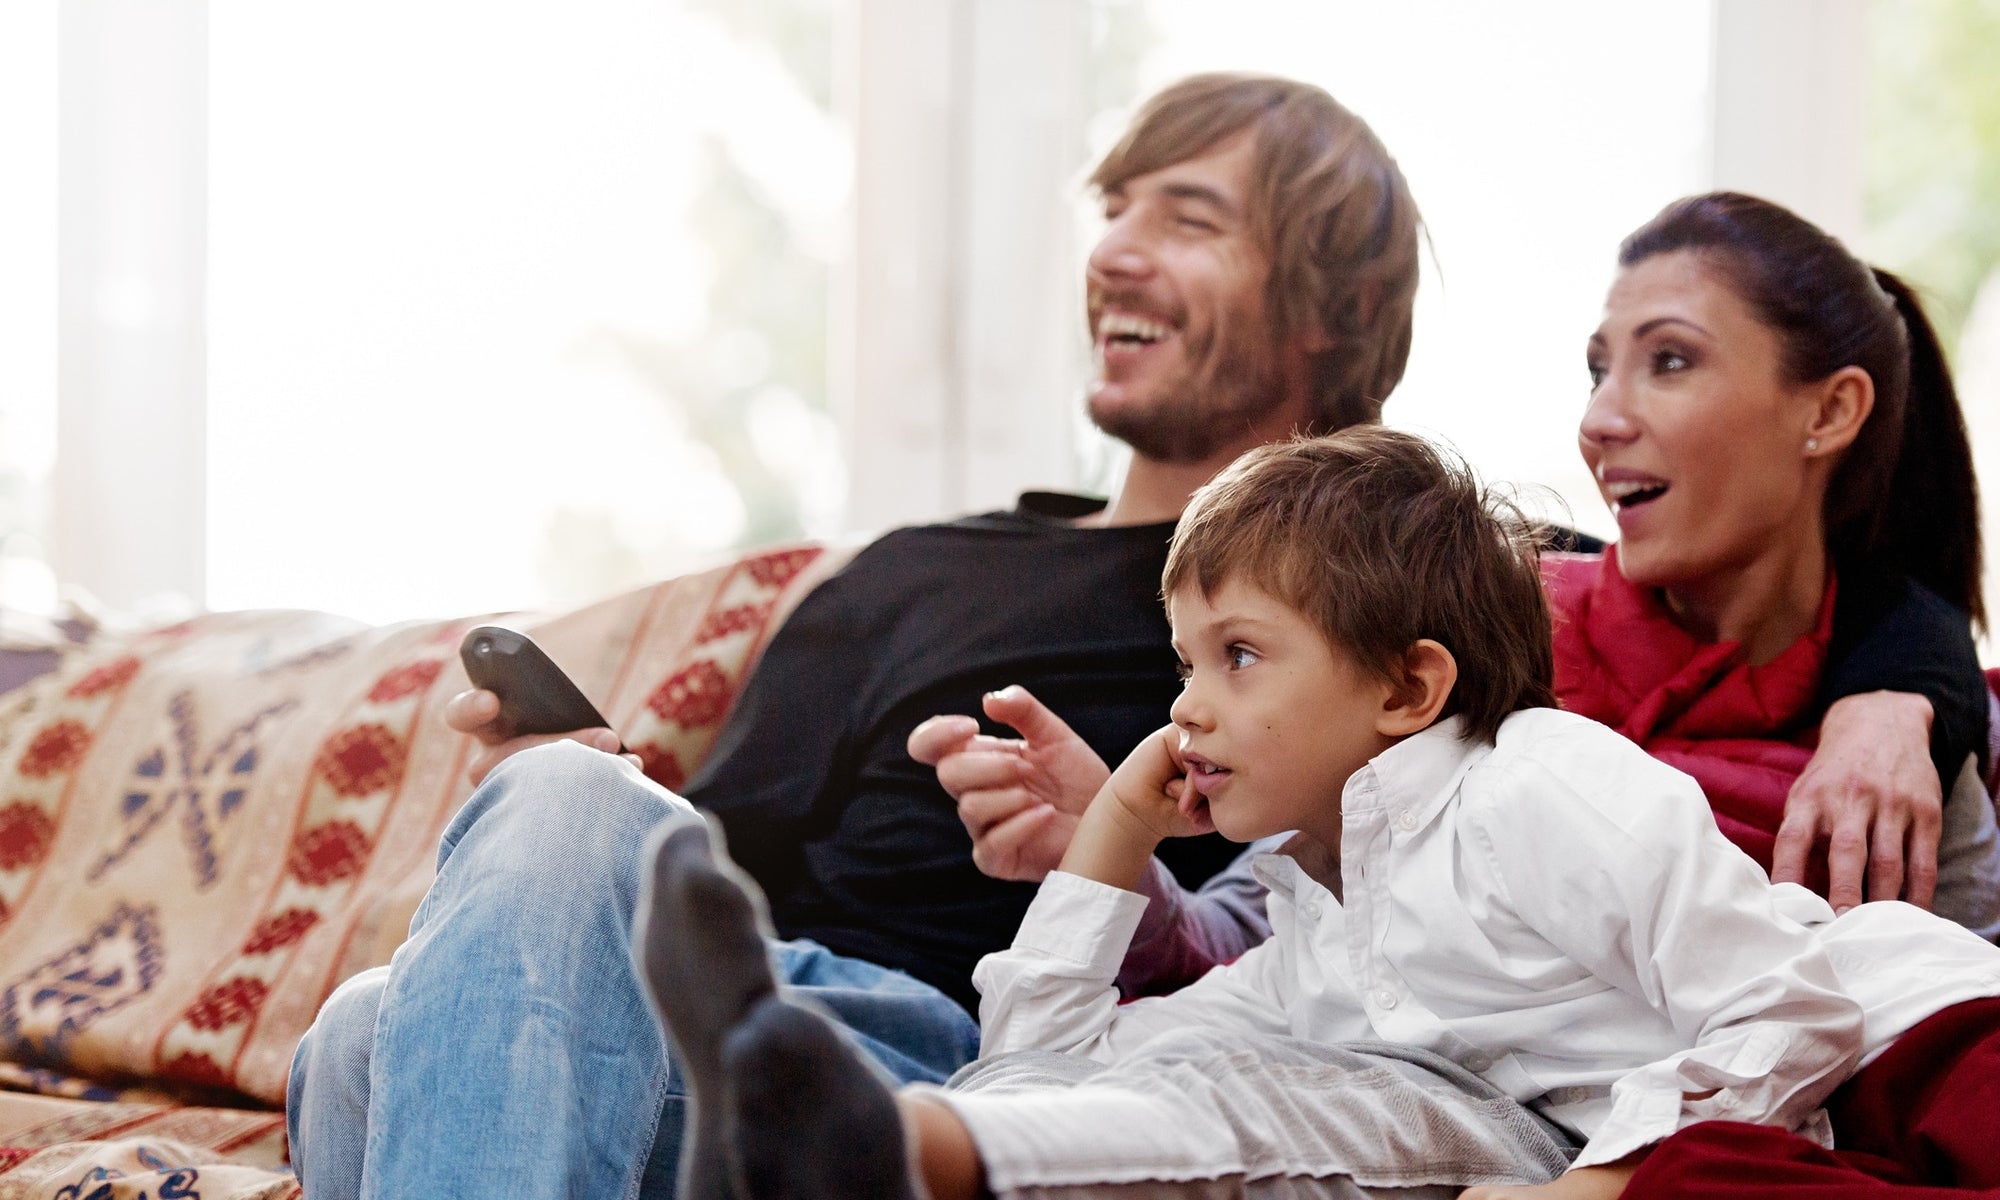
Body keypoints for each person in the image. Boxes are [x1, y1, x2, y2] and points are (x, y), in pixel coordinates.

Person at [285, 72, 1425, 1199]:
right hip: (753, 1021)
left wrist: (1111, 849)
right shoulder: (907, 574)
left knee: (369, 1037)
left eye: (1186, 219)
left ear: (1334, 310)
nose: (1112, 251)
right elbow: (703, 875)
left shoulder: (1382, 597)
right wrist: (580, 803)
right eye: (1114, 207)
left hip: (987, 1067)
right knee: (365, 1024)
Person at [637, 427, 2000, 1200]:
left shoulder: (1537, 781)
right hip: (1586, 1132)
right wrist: (1114, 830)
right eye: (1182, 665)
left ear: (1410, 687)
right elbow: (1048, 1065)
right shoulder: (1309, 935)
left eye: (1237, 657)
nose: (1188, 711)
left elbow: (1791, 1008)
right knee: (1220, 1100)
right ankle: (884, 1154)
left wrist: (1595, 1187)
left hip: (1916, 1037)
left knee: (1305, 1105)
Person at [922, 191, 1998, 969]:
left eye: (1667, 361)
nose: (1597, 419)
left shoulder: (1895, 754)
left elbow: (1937, 1035)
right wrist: (1108, 855)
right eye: (1596, 368)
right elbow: (1251, 942)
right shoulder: (1482, 641)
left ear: (1828, 412)